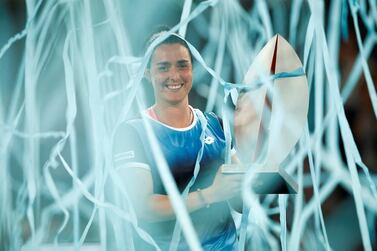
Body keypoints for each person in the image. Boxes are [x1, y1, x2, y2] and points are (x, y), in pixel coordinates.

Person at [112, 29, 243, 250]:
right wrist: (210, 194)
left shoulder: (215, 125)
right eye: (163, 67)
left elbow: (239, 201)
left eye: (182, 65)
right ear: (146, 72)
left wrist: (254, 180)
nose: (174, 75)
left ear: (193, 69)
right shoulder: (133, 133)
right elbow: (143, 207)